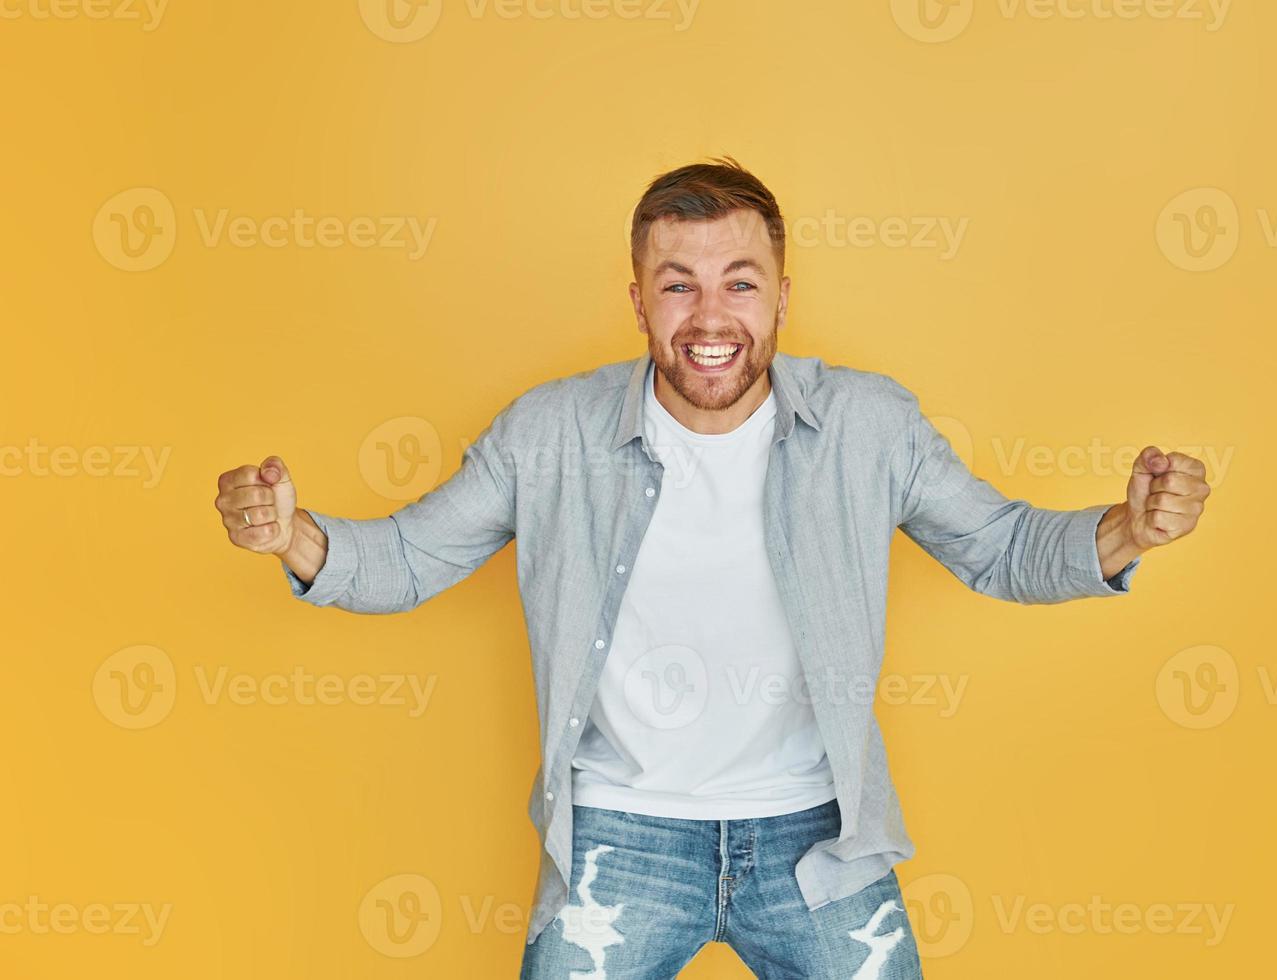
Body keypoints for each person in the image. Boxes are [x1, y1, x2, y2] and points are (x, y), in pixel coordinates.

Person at [213, 157, 1210, 978]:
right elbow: (407, 558)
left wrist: (1126, 528)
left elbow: (999, 545)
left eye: (740, 279)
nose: (710, 312)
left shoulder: (867, 425)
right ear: (638, 298)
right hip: (618, 835)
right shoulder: (551, 431)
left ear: (783, 296)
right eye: (677, 281)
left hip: (817, 838)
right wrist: (292, 536)